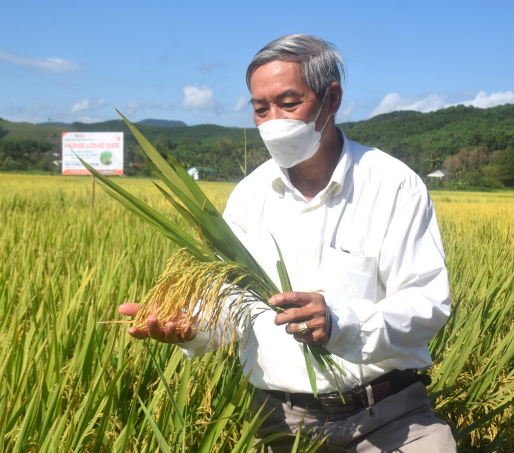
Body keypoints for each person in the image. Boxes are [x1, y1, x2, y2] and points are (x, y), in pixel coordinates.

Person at [119, 34, 457, 452]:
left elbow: (427, 304)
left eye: (289, 103)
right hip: (283, 423)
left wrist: (338, 322)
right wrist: (188, 328)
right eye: (261, 109)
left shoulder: (394, 186)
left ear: (331, 98)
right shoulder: (249, 196)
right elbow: (229, 307)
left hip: (391, 419)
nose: (273, 119)